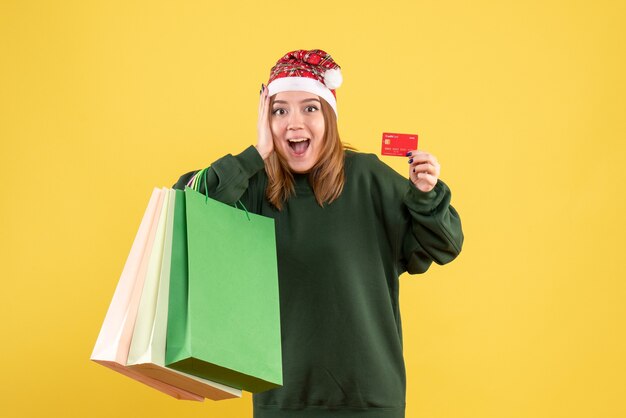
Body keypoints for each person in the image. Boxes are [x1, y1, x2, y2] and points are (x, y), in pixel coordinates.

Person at [173, 49, 464, 418]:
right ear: (265, 118)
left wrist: (426, 196)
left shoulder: (368, 178)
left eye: (310, 108)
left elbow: (445, 244)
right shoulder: (252, 185)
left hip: (369, 399)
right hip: (283, 399)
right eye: (280, 110)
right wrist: (256, 153)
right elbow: (186, 208)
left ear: (330, 116)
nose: (294, 123)